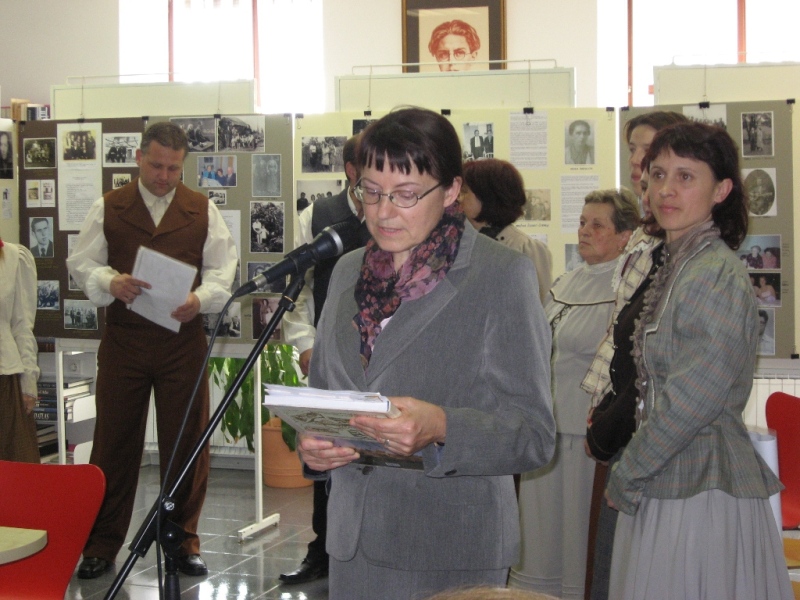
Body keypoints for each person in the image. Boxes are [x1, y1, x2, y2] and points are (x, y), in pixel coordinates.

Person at [297, 107, 555, 600]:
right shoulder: (347, 272)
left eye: (406, 194)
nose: (383, 212)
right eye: (371, 192)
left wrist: (441, 426)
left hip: (450, 546)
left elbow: (534, 435)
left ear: (452, 190)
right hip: (351, 544)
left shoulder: (501, 276)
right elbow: (326, 397)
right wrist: (314, 446)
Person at [605, 121, 792, 600]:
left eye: (685, 177)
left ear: (721, 190)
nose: (665, 190)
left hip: (699, 487)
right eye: (658, 174)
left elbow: (693, 400)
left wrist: (629, 471)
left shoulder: (714, 272)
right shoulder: (682, 264)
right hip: (668, 474)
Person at [67, 121, 238, 580]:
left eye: (174, 169)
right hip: (124, 341)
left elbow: (222, 270)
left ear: (184, 166)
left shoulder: (201, 209)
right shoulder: (109, 206)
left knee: (186, 442)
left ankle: (181, 541)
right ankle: (101, 545)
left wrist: (199, 299)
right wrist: (110, 281)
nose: (164, 177)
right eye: (157, 166)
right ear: (139, 158)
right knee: (113, 443)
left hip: (183, 344)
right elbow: (81, 262)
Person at [511, 189, 639, 599]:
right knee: (541, 532)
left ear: (625, 236)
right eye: (583, 222)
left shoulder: (627, 290)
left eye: (597, 225)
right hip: (546, 427)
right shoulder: (567, 280)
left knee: (577, 531)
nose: (584, 231)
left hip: (586, 434)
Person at [581, 109, 687, 600]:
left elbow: (656, 361)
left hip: (651, 441)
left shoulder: (687, 252)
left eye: (650, 148)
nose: (639, 160)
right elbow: (622, 339)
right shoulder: (646, 239)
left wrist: (610, 425)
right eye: (634, 150)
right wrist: (602, 409)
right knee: (612, 566)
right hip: (621, 425)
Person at [280, 135, 371, 585]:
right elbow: (295, 292)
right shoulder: (316, 217)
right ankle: (322, 550)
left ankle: (367, 550)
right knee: (326, 449)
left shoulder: (398, 216)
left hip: (379, 356)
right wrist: (304, 345)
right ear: (352, 170)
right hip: (329, 357)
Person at [459, 159, 552, 302]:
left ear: (488, 196)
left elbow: (538, 307)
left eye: (464, 192)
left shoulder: (526, 248)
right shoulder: (462, 242)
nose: (458, 199)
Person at [0, 239, 40, 463]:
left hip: (4, 380)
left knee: (13, 469)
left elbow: (22, 326)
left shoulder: (13, 257)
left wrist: (28, 382)